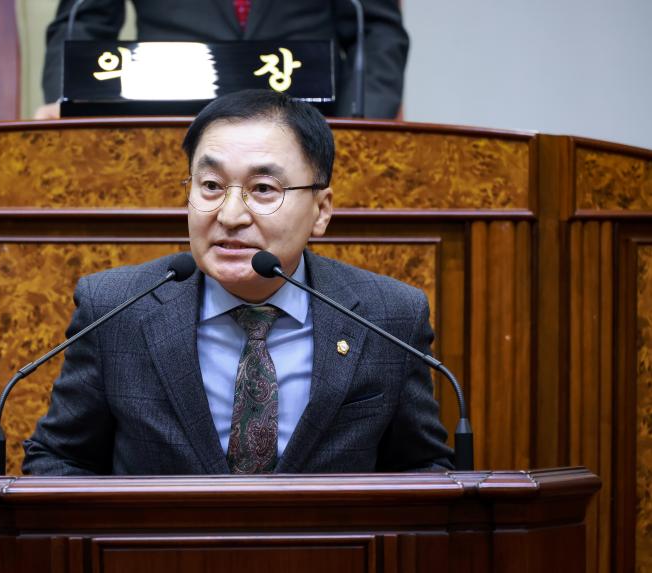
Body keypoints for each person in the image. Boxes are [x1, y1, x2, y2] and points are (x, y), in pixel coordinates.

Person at [23, 89, 453, 475]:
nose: (230, 216)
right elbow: (58, 459)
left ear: (321, 210)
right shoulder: (115, 308)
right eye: (211, 186)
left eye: (263, 189)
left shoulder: (388, 317)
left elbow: (423, 469)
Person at [36, 0, 409, 120]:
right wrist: (66, 103)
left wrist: (359, 126)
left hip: (310, 126)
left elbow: (375, 29)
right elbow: (83, 21)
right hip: (166, 128)